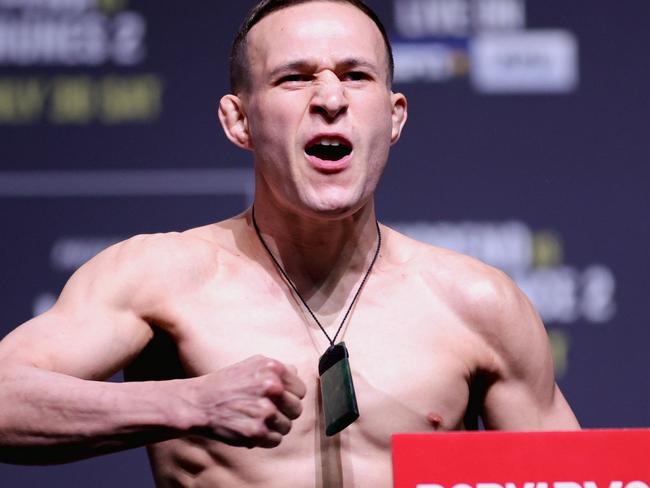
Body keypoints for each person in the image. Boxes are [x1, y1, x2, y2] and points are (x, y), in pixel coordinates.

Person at [0, 0, 579, 486]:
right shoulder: (159, 278)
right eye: (295, 77)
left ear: (395, 116)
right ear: (239, 121)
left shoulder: (477, 303)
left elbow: (575, 478)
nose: (330, 98)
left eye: (356, 75)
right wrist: (185, 404)